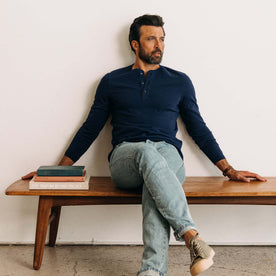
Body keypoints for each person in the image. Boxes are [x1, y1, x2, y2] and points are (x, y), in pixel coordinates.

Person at [23, 14, 266, 276]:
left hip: (168, 156)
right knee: (147, 153)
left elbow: (199, 129)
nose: (158, 45)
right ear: (135, 44)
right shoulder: (112, 81)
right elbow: (90, 128)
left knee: (156, 180)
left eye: (162, 39)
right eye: (151, 39)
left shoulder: (180, 81)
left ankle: (152, 271)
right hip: (127, 157)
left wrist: (228, 170)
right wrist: (56, 172)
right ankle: (191, 236)